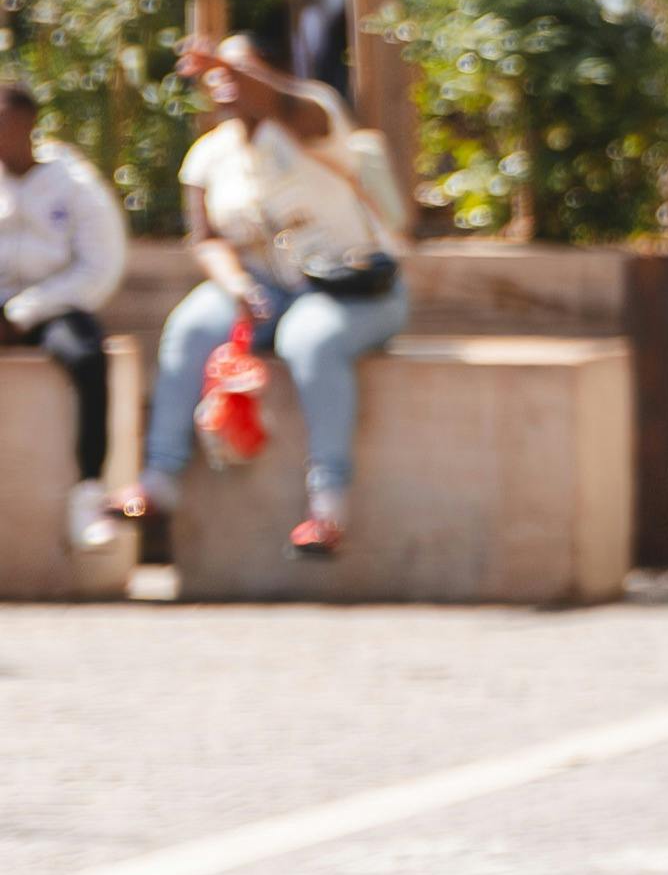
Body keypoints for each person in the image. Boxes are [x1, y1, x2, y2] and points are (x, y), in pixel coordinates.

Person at [118, 39, 408, 560]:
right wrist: (236, 284)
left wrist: (226, 61)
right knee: (190, 325)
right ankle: (158, 481)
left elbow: (283, 103)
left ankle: (328, 506)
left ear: (269, 73)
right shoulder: (208, 154)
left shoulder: (313, 114)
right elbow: (205, 238)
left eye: (239, 71)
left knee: (309, 339)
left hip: (353, 288)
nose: (226, 81)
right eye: (217, 75)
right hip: (265, 288)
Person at [0, 78, 127, 548]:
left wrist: (24, 312)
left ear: (27, 123)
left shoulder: (74, 184)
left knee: (88, 358)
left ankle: (89, 495)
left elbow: (99, 268)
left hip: (54, 308)